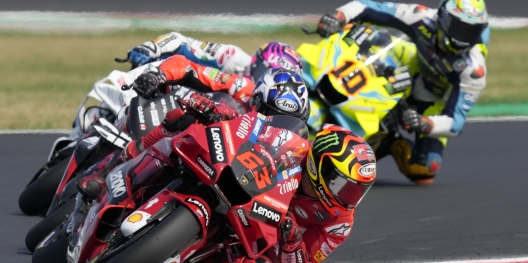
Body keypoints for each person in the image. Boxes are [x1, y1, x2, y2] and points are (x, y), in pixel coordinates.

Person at [192, 124, 376, 263]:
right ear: (322, 167)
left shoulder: (340, 222)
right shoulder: (289, 143)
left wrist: (292, 242)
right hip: (239, 182)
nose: (349, 197)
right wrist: (222, 115)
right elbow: (247, 126)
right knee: (186, 129)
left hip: (256, 229)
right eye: (344, 186)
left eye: (358, 191)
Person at [316, 0, 489, 184]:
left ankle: (386, 141)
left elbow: (455, 123)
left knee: (426, 168)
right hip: (409, 63)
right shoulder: (422, 16)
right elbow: (369, 7)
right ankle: (322, 73)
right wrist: (338, 16)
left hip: (434, 100)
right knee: (359, 32)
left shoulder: (474, 69)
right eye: (459, 28)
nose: (463, 39)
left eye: (471, 32)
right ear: (443, 18)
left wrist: (423, 123)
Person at [77, 66, 310, 200]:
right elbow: (192, 68)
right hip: (204, 135)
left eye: (283, 118)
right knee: (180, 117)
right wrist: (160, 75)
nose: (272, 121)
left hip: (237, 172)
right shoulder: (243, 89)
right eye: (267, 111)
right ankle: (107, 170)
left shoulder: (293, 142)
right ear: (256, 99)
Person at [122, 32, 303, 82]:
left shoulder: (270, 106)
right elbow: (181, 41)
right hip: (169, 92)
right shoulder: (232, 56)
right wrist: (152, 48)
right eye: (270, 74)